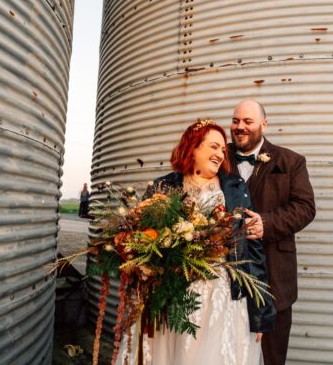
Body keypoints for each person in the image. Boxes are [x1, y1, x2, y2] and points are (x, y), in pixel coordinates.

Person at [116, 119, 276, 365]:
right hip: (172, 295)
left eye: (222, 149)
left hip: (222, 296)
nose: (220, 154)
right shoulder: (164, 186)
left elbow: (252, 250)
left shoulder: (235, 187)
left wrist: (261, 313)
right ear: (193, 147)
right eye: (213, 147)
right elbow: (141, 239)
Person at [228, 100, 316, 365]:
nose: (239, 127)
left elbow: (305, 208)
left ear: (263, 125)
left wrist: (267, 224)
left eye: (247, 121)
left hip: (275, 278)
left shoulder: (291, 162)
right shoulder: (218, 156)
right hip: (225, 277)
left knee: (271, 356)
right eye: (235, 121)